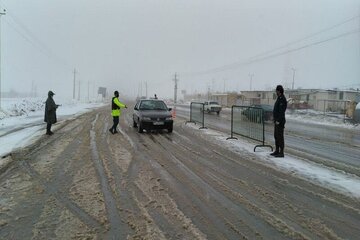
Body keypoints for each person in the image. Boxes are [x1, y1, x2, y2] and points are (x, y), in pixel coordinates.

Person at [271, 85, 287, 157]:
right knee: (276, 136)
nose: (276, 92)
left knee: (280, 137)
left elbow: (281, 112)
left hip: (280, 122)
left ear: (279, 91)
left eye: (277, 91)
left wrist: (278, 120)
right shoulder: (278, 98)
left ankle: (281, 152)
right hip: (276, 121)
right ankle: (277, 150)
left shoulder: (282, 99)